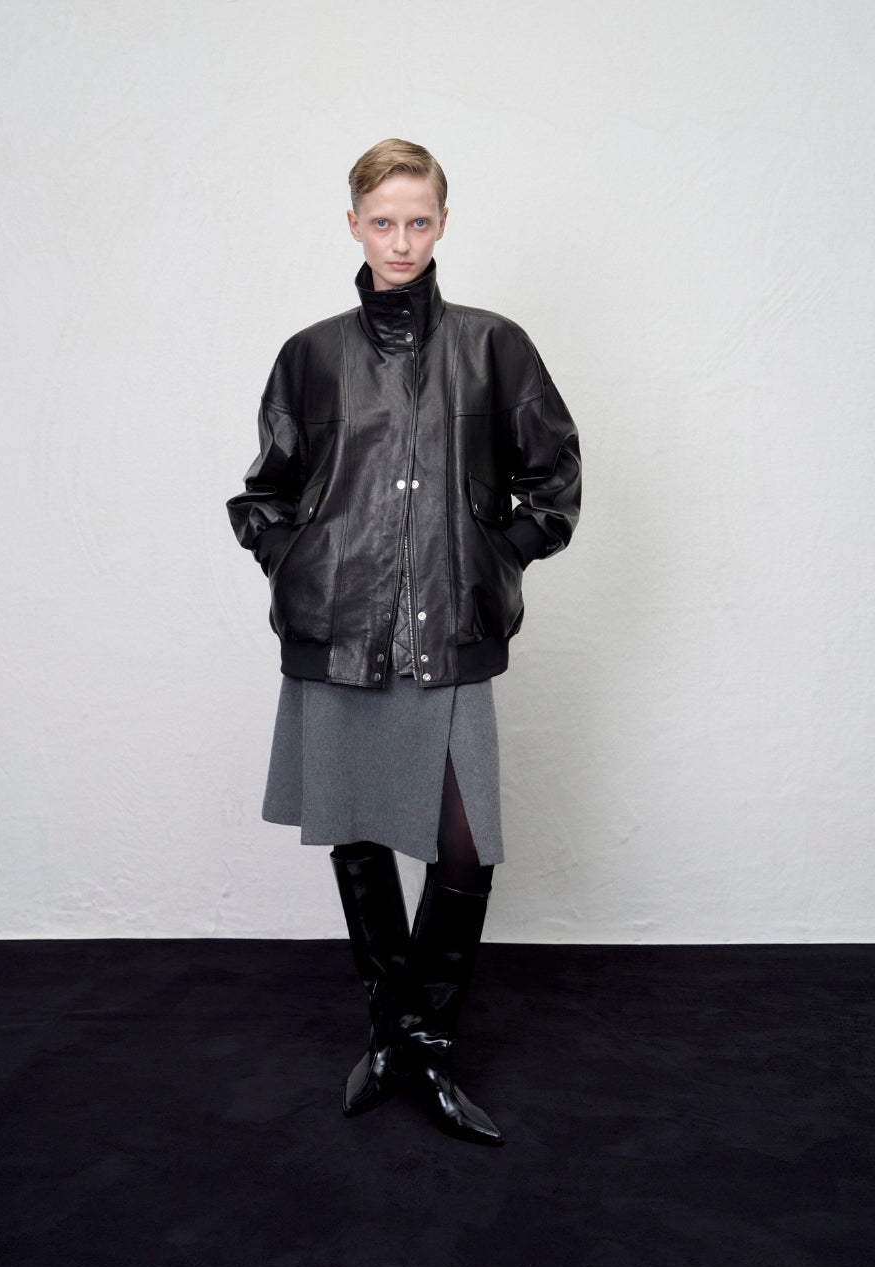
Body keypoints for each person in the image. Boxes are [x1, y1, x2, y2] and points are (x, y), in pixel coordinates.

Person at [227, 139, 581, 1146]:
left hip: (450, 629)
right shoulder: (311, 355)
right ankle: (399, 1039)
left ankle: (421, 1038)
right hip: (340, 632)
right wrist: (299, 563)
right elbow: (264, 494)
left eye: (418, 220)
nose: (400, 240)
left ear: (443, 223)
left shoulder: (494, 345)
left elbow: (555, 477)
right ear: (353, 225)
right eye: (382, 221)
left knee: (465, 845)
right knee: (358, 830)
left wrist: (494, 558)